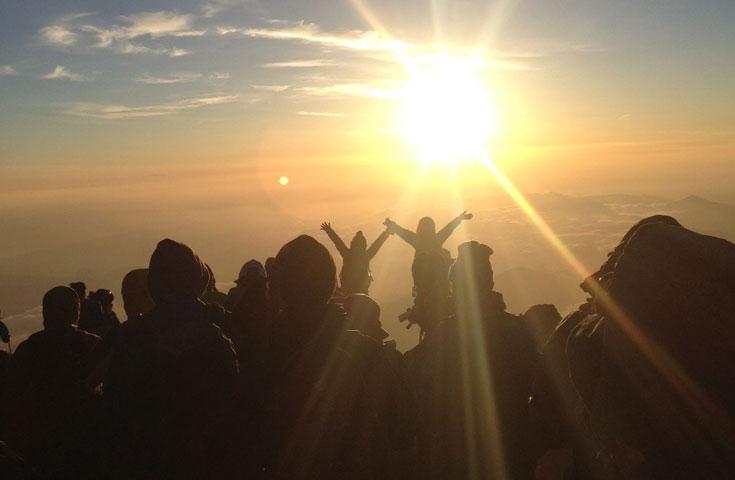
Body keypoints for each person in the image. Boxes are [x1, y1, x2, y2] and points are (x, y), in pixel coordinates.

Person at [261, 235, 415, 480]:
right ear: (332, 285)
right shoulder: (370, 354)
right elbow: (403, 437)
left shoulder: (261, 365)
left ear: (278, 289)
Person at [103, 239, 238, 479]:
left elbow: (114, 410)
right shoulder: (215, 339)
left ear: (154, 285)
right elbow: (230, 415)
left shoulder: (129, 337)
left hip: (142, 463)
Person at [412, 241, 536, 480]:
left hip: (460, 455)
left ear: (457, 287)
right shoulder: (517, 329)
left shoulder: (443, 336)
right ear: (489, 282)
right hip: (514, 450)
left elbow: (424, 394)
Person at [2, 286, 102, 478]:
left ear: (45, 314)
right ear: (76, 313)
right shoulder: (94, 345)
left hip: (40, 446)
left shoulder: (29, 348)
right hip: (86, 443)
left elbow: (12, 397)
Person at [320, 223, 392, 295]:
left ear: (352, 244)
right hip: (362, 291)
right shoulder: (366, 256)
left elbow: (337, 242)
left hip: (346, 289)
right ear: (364, 245)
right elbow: (378, 243)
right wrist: (387, 232)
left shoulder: (347, 254)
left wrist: (328, 230)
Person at [383, 211, 473, 256]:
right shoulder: (437, 239)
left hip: (421, 284)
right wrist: (460, 218)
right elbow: (449, 228)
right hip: (437, 283)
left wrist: (391, 225)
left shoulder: (417, 241)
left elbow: (403, 233)